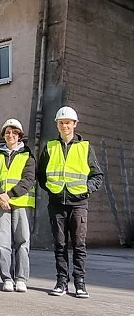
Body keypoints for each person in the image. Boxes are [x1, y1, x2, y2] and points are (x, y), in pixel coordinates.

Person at [37, 106, 103, 298]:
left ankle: (80, 283)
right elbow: (41, 175)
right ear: (57, 125)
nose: (65, 126)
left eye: (68, 122)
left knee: (79, 245)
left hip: (79, 204)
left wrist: (86, 189)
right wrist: (51, 190)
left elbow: (97, 175)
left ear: (74, 124)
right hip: (57, 203)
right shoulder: (50, 147)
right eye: (61, 123)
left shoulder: (85, 148)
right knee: (60, 244)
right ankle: (61, 282)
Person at [0, 119, 36, 293]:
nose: (11, 135)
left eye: (14, 133)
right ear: (3, 135)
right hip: (0, 203)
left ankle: (21, 278)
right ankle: (7, 278)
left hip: (21, 203)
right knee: (3, 243)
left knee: (22, 241)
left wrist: (9, 195)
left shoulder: (27, 156)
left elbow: (28, 179)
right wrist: (0, 195)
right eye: (7, 132)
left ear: (19, 136)